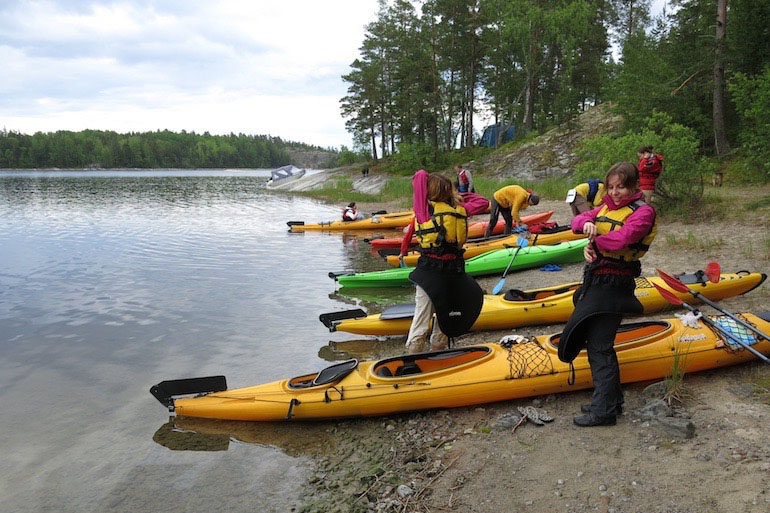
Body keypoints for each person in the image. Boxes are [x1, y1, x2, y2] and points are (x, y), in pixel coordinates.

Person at [558, 162, 657, 427]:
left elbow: (623, 239)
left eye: (621, 187)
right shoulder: (606, 207)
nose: (615, 192)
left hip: (616, 283)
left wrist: (595, 241)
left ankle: (604, 411)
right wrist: (587, 225)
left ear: (634, 186)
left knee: (600, 345)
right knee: (596, 342)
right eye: (611, 187)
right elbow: (577, 221)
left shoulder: (644, 213)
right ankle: (611, 400)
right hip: (597, 280)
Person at [399, 171, 483, 354]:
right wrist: (459, 195)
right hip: (454, 274)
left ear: (428, 192)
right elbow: (482, 201)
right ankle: (438, 356)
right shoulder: (459, 210)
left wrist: (431, 179)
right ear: (448, 192)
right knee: (444, 320)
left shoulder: (424, 211)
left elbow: (419, 174)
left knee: (421, 320)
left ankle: (412, 359)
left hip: (429, 273)